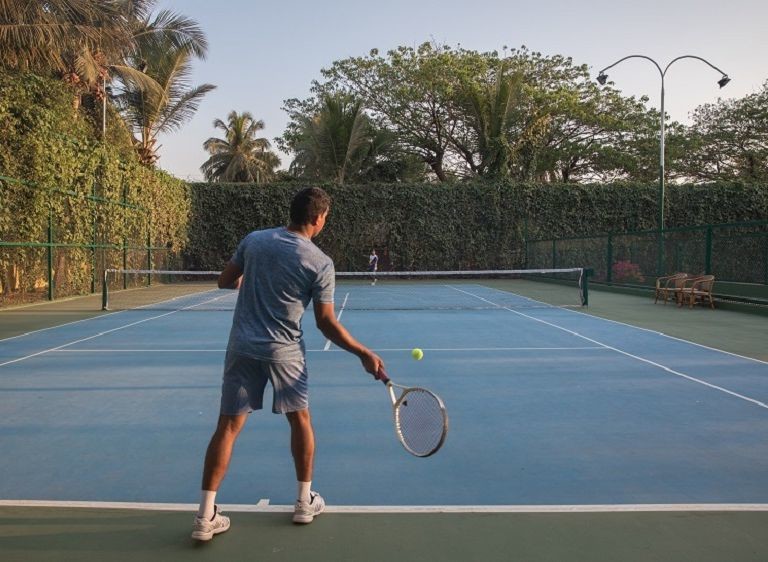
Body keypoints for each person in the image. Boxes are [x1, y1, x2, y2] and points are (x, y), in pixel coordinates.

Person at [191, 187, 385, 541]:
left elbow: (224, 281)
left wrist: (249, 280)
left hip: (242, 347)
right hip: (286, 353)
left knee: (228, 427)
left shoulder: (254, 241)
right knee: (300, 421)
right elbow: (326, 323)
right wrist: (364, 353)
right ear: (318, 218)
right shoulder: (320, 262)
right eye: (325, 217)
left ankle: (205, 516)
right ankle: (303, 502)